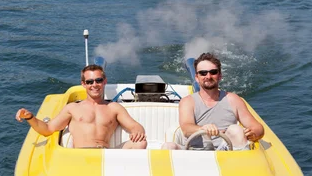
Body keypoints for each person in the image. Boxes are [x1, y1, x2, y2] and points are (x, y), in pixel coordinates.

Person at [16, 65, 147, 149]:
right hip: (81, 156)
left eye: (98, 80)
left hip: (107, 155)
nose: (94, 85)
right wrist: (30, 117)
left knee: (140, 143)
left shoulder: (114, 108)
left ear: (104, 81)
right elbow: (48, 128)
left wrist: (137, 131)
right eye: (89, 82)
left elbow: (135, 126)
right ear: (83, 84)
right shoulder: (72, 108)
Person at [162, 53, 264, 150]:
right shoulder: (187, 102)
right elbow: (186, 128)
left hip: (226, 151)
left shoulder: (233, 99)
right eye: (203, 73)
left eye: (213, 72)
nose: (208, 76)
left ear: (220, 76)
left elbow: (258, 128)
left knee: (236, 130)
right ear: (197, 78)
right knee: (168, 146)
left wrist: (254, 132)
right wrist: (204, 129)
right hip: (193, 152)